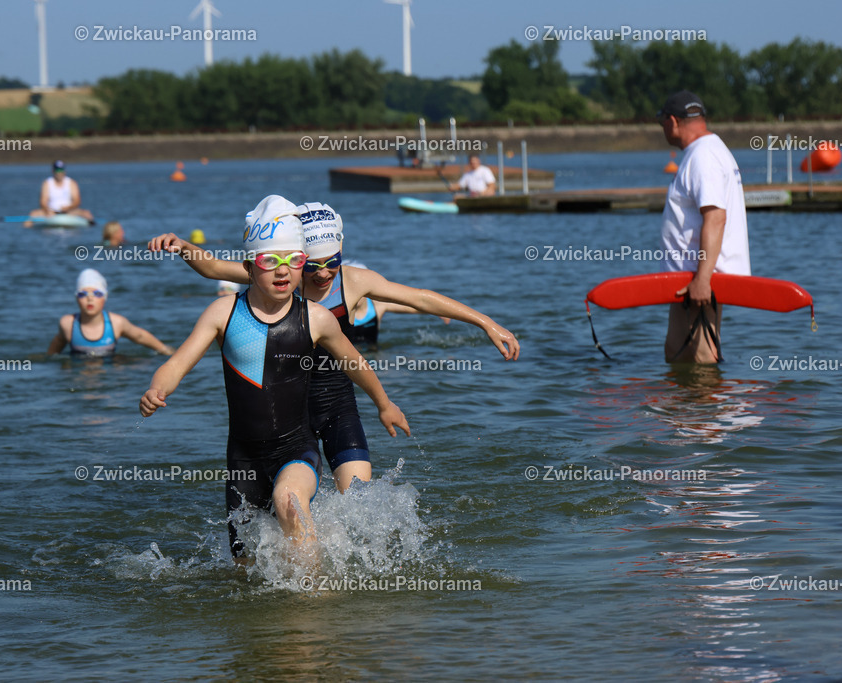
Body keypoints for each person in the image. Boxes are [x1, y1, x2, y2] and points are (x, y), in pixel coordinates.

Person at [147, 201, 519, 493]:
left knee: (356, 498)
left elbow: (420, 298)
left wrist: (486, 322)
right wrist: (181, 246)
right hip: (291, 411)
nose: (323, 274)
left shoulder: (354, 281)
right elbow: (212, 267)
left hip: (338, 403)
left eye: (332, 263)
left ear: (342, 250)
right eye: (312, 265)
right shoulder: (280, 276)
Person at [139, 196, 409, 564]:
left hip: (296, 450)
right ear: (249, 265)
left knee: (289, 503)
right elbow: (178, 362)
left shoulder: (316, 318)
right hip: (243, 460)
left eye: (293, 261)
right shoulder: (223, 312)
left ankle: (316, 606)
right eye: (270, 261)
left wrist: (384, 403)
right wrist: (158, 388)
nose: (283, 271)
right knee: (244, 568)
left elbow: (356, 363)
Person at [657, 90, 750, 363]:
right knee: (677, 352)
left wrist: (703, 279)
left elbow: (715, 217)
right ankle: (692, 405)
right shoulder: (708, 150)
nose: (662, 128)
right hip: (689, 280)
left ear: (673, 121)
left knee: (700, 355)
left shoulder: (703, 157)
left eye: (661, 121)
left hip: (699, 280)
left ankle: (709, 406)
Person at [48, 268, 175, 357]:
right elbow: (58, 343)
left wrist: (164, 349)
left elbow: (139, 336)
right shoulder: (68, 324)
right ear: (76, 298)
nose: (90, 298)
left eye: (97, 294)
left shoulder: (116, 323)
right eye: (83, 294)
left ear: (105, 297)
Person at [26, 160, 94, 226]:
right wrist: (47, 210)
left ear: (64, 171)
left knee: (87, 214)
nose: (59, 173)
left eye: (61, 170)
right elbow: (43, 201)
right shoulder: (47, 183)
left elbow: (77, 201)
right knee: (32, 214)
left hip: (69, 211)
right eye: (57, 170)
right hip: (51, 211)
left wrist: (69, 208)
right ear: (53, 171)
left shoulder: (71, 183)